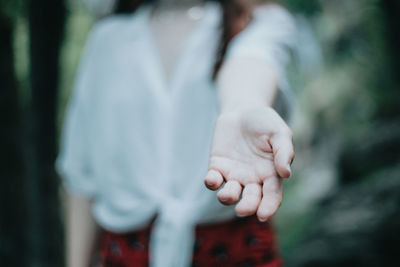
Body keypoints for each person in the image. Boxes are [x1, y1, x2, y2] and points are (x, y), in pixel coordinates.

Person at [56, 0, 296, 266]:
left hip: (233, 251)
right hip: (126, 253)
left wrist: (241, 109)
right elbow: (81, 174)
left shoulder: (257, 21)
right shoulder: (107, 40)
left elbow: (252, 62)